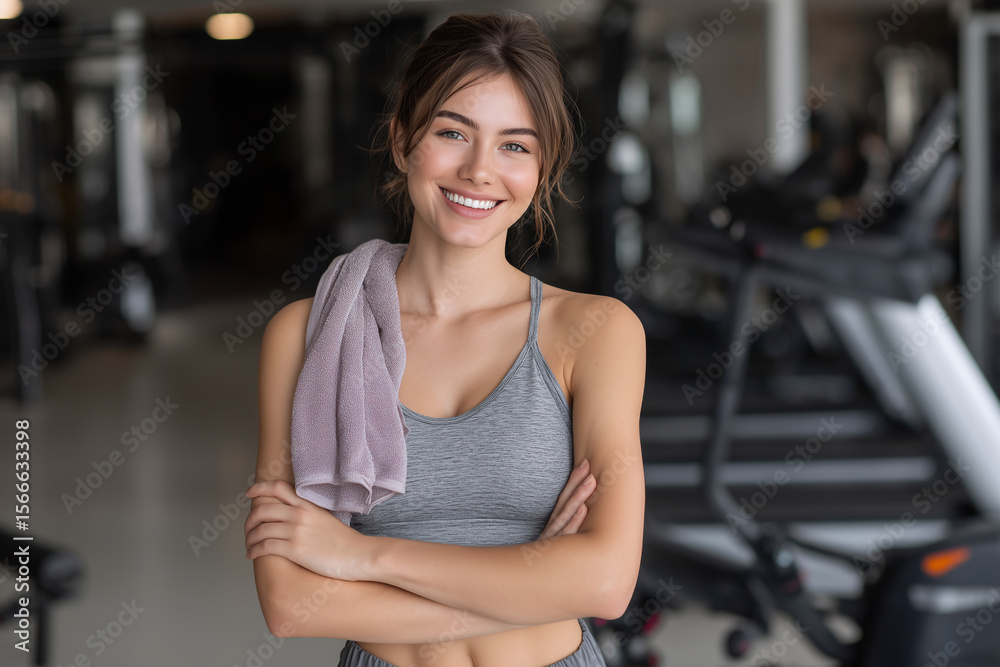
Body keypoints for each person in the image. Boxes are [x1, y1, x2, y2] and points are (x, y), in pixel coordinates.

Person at [244, 10, 646, 666]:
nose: (480, 170)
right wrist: (532, 580)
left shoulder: (595, 332)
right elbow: (292, 603)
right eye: (453, 133)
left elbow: (605, 583)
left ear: (542, 168)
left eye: (515, 144)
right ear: (403, 141)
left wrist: (359, 556)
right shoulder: (308, 335)